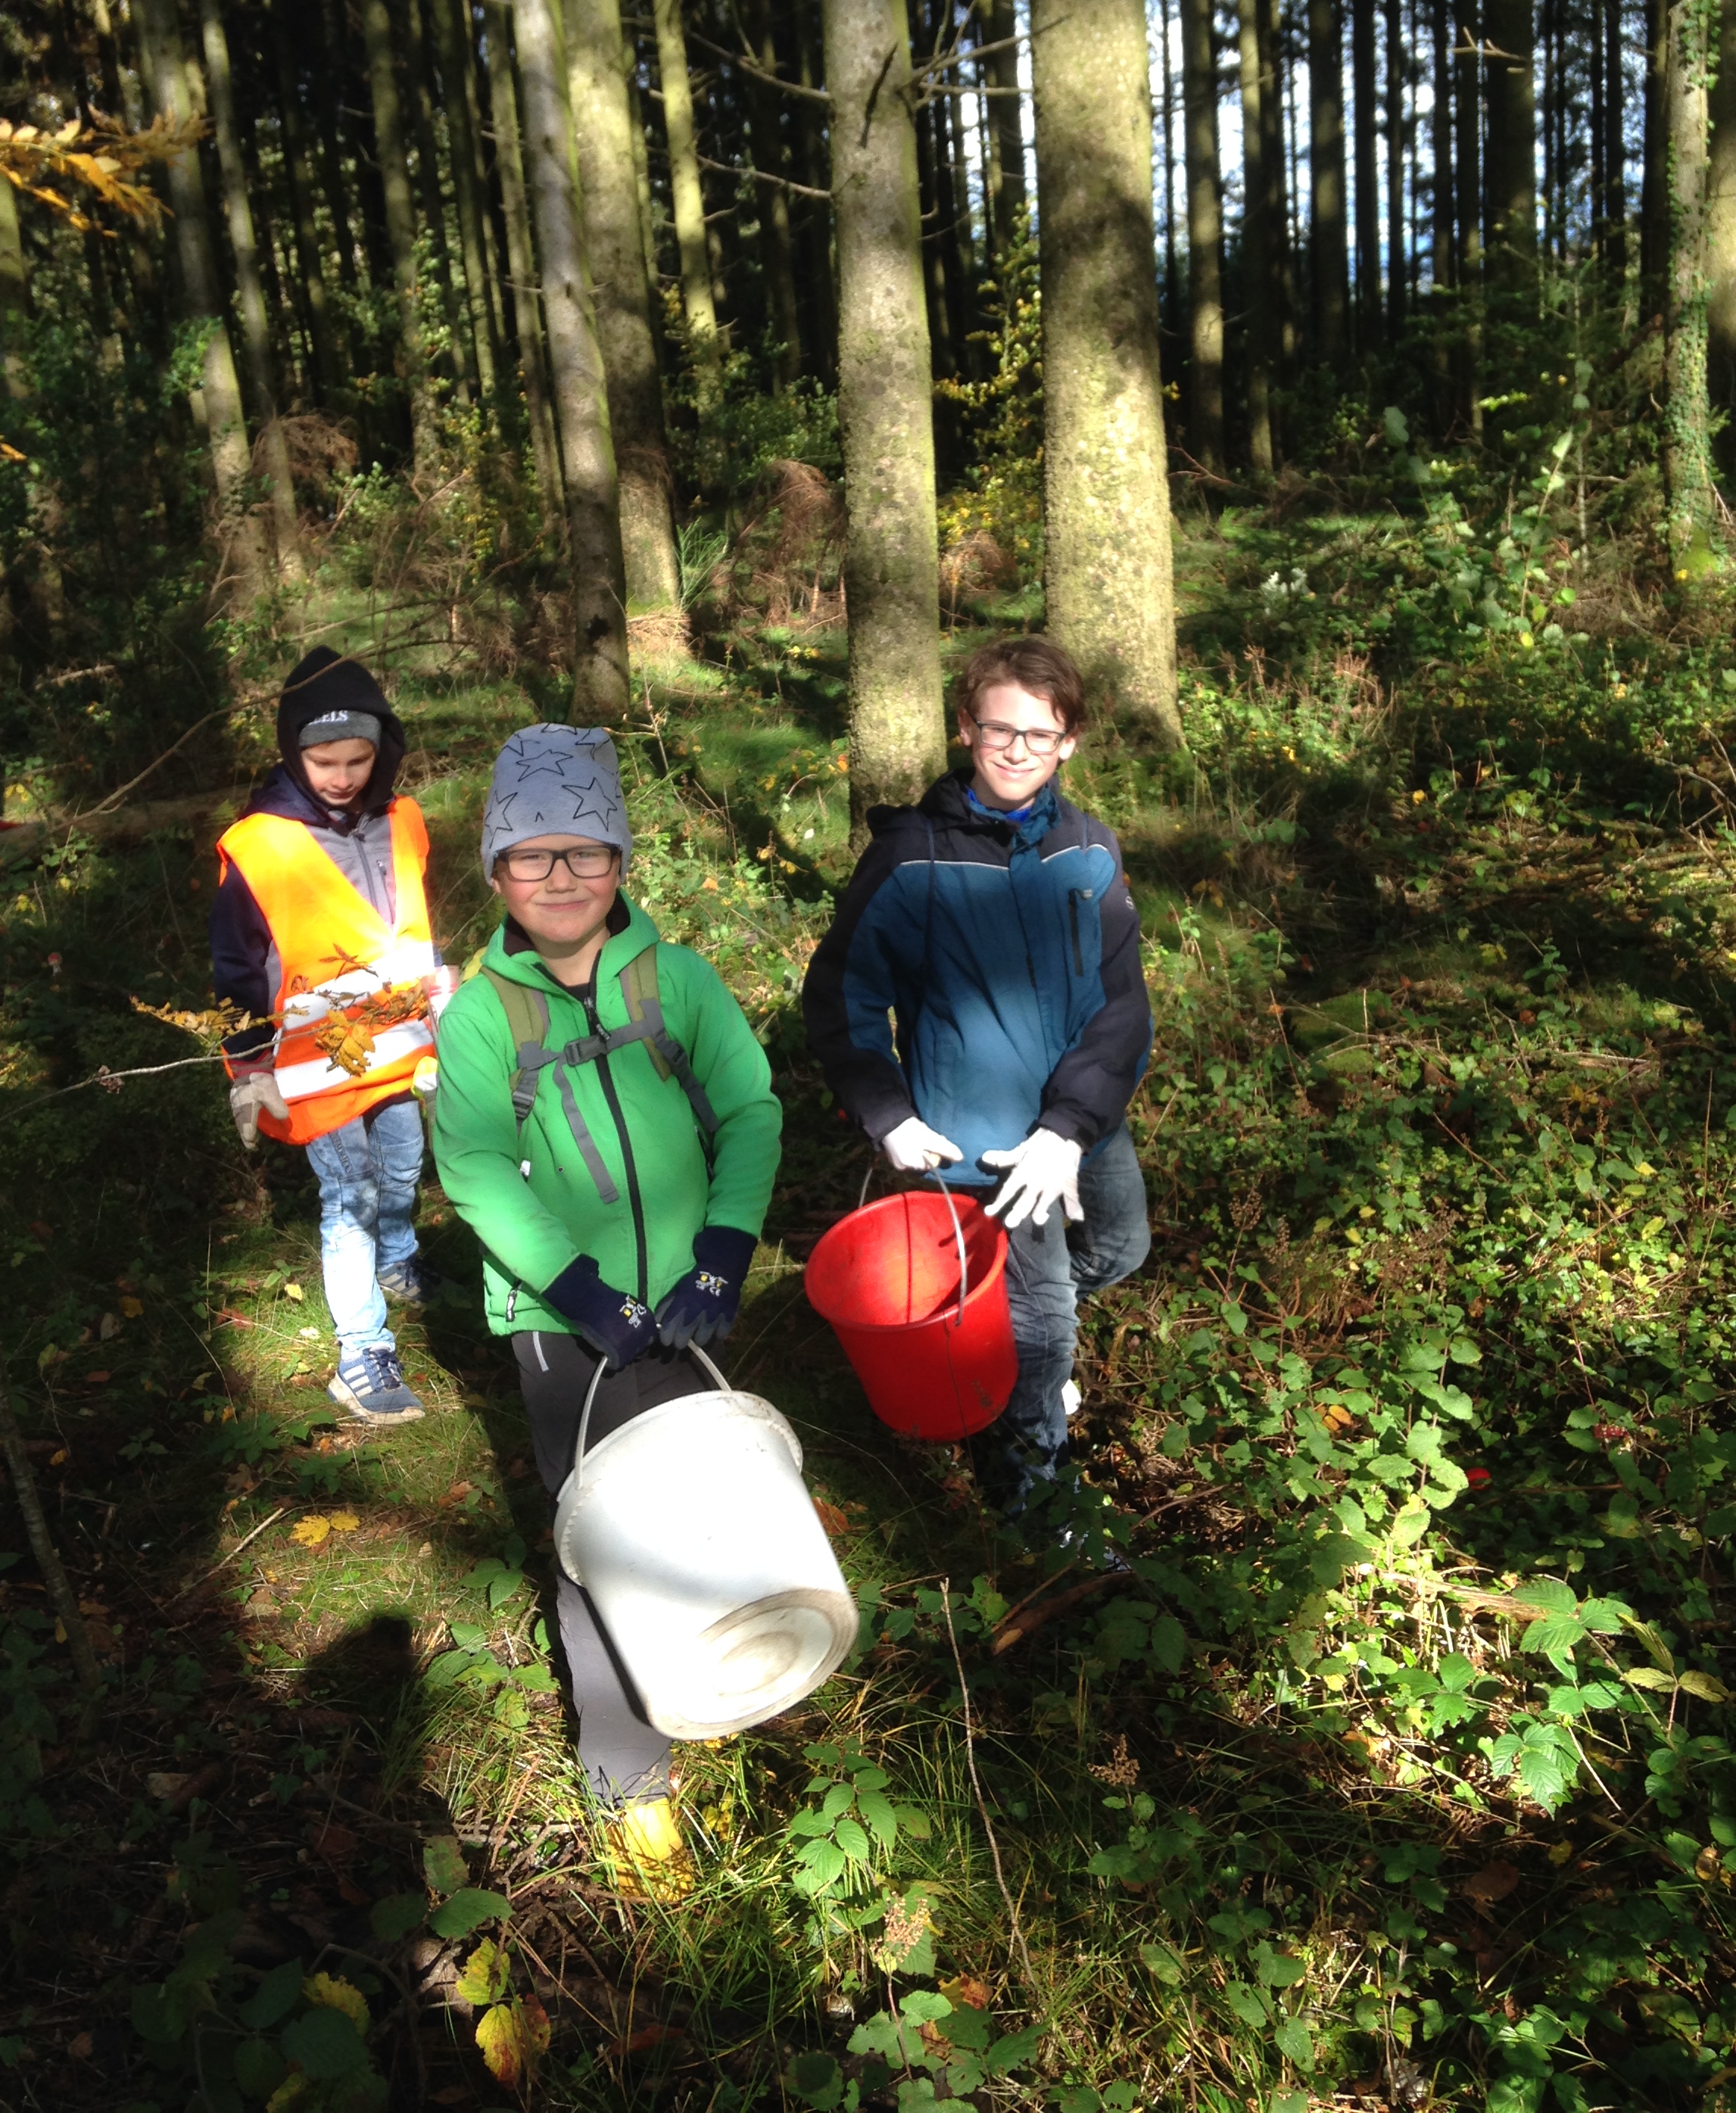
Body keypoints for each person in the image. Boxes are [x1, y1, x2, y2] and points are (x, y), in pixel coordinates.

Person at [432, 724, 782, 1882]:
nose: (562, 877)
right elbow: (476, 1167)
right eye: (532, 858)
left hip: (689, 1302)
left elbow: (752, 1111)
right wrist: (580, 1295)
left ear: (622, 863)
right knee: (603, 1541)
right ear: (497, 876)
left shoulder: (675, 981)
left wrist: (723, 1257)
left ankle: (704, 1687)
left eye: (586, 852)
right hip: (561, 1324)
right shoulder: (484, 1015)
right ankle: (628, 1778)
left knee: (707, 1506)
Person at [803, 636, 1152, 1538]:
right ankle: (1033, 1488)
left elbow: (1123, 1004)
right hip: (984, 1143)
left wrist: (1073, 1125)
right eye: (999, 728)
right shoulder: (910, 860)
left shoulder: (1089, 851)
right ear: (966, 728)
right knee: (1040, 1319)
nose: (1017, 749)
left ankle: (999, 1340)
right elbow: (842, 995)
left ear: (1070, 741)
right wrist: (885, 1112)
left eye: (1041, 733)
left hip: (1079, 1127)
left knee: (1119, 1250)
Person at [211, 647, 442, 1428]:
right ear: (291, 752)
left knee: (406, 1165)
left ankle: (401, 1261)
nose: (341, 775)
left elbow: (413, 923)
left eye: (357, 758)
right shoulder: (258, 844)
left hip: (401, 1042)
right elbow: (234, 963)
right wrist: (247, 1066)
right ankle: (361, 1352)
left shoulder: (401, 820)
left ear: (382, 752)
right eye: (321, 760)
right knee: (352, 1196)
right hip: (315, 1063)